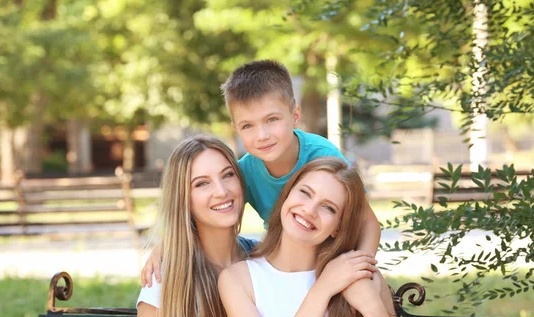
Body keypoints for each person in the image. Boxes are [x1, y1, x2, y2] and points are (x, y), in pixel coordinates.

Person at [141, 59, 381, 286]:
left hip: (334, 260)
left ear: (295, 115)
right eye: (248, 126)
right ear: (236, 129)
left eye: (272, 119)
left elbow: (368, 222)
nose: (262, 135)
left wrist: (360, 269)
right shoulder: (243, 173)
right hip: (286, 271)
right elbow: (208, 212)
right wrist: (165, 246)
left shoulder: (322, 156)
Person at [218, 157, 427, 317]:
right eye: (305, 193)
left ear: (339, 227)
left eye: (328, 208)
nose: (309, 209)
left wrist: (371, 308)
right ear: (286, 196)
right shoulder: (240, 280)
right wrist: (323, 288)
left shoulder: (356, 272)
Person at [126, 136, 258, 317]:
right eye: (202, 183)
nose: (221, 191)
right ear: (183, 199)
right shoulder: (165, 276)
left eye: (228, 175)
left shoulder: (263, 259)